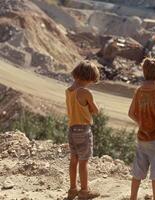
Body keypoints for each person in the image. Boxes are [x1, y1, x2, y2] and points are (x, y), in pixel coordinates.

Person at [128, 57, 155, 200]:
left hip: (142, 137)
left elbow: (131, 113)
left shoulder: (139, 90)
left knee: (137, 171)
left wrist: (141, 123)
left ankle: (133, 197)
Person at [66, 61, 100, 200]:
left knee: (73, 159)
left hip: (72, 129)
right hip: (83, 130)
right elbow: (95, 111)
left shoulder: (69, 90)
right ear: (90, 77)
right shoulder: (85, 92)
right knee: (84, 161)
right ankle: (84, 191)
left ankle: (73, 189)